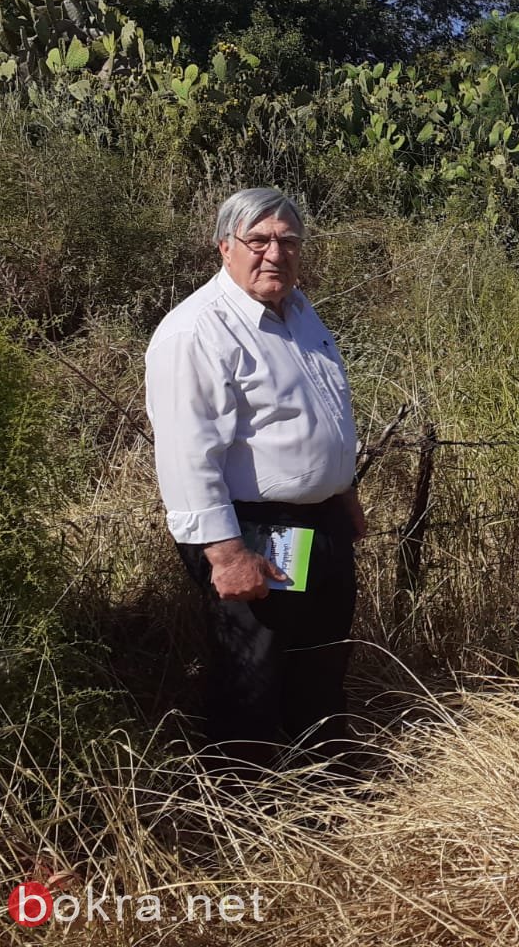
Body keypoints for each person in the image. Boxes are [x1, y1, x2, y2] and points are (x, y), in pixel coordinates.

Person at [145, 187, 364, 768]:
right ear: (225, 247)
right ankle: (244, 819)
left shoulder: (299, 312)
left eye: (288, 240)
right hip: (250, 530)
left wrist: (345, 492)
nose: (276, 252)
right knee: (252, 672)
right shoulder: (197, 330)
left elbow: (326, 411)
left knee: (320, 660)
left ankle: (322, 794)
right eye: (259, 239)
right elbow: (188, 455)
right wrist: (225, 554)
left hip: (319, 521)